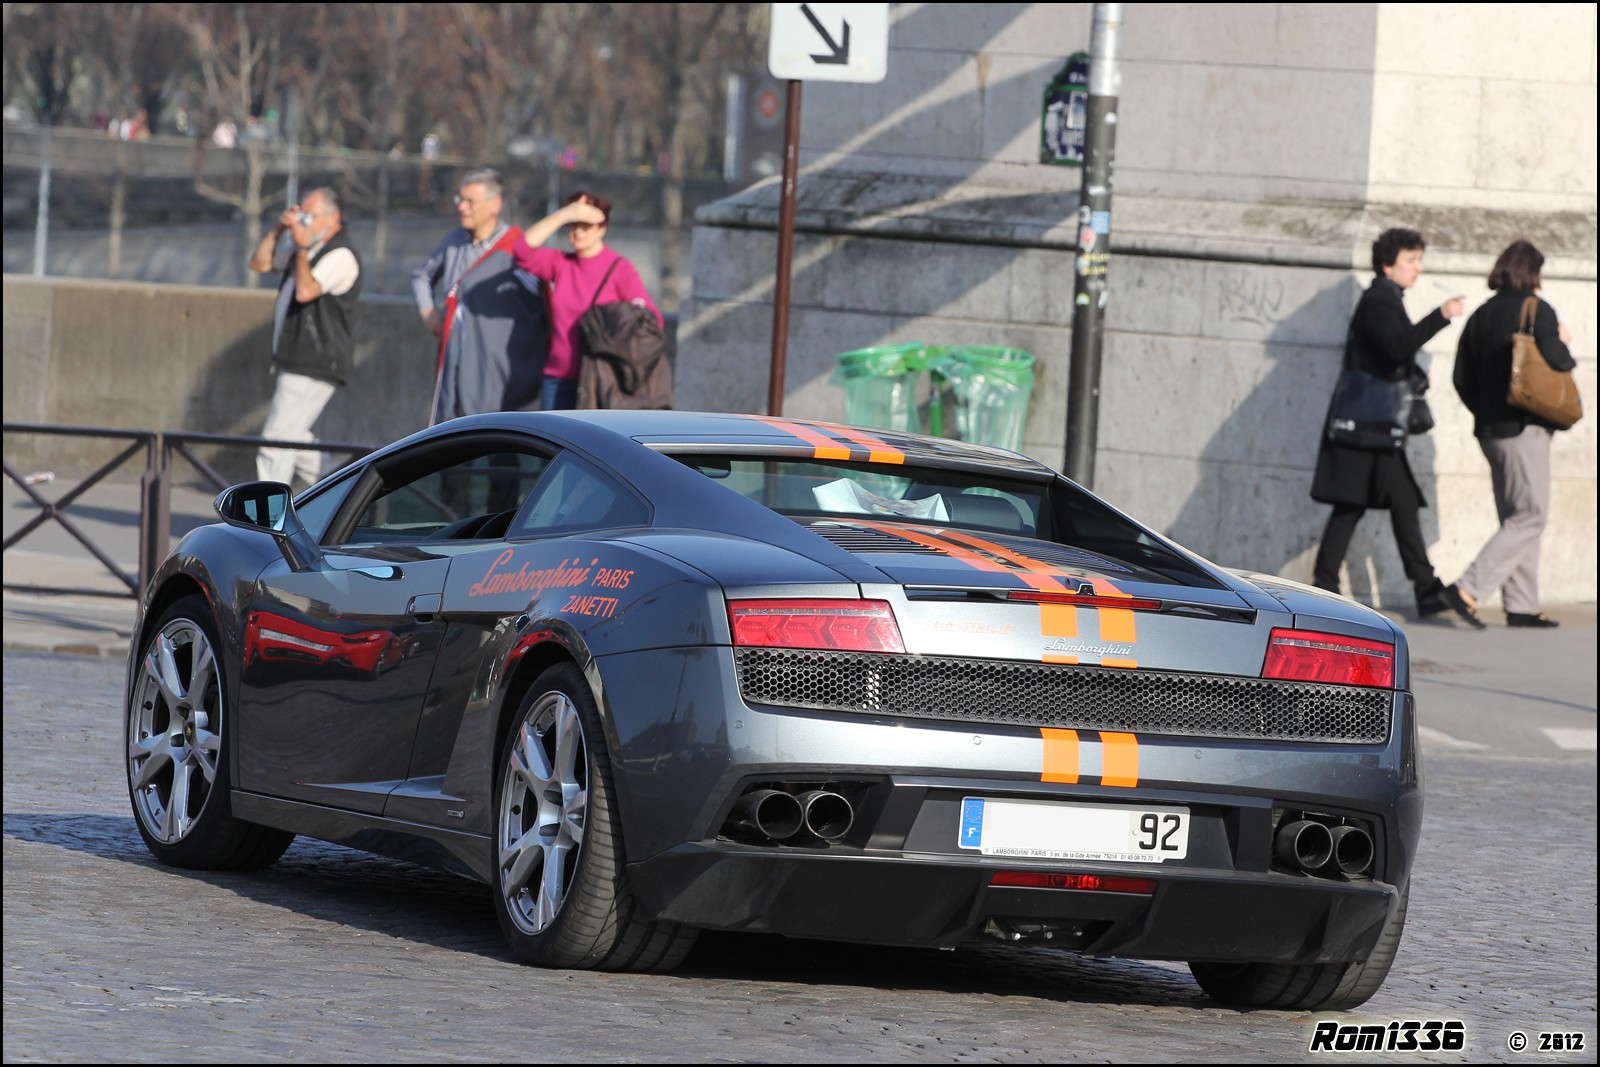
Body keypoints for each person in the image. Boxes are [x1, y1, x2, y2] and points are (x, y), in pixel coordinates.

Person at [1310, 228, 1468, 620]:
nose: (1418, 268)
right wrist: (1441, 317)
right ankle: (1326, 585)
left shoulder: (1386, 297)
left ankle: (1422, 586)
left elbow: (1389, 354)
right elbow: (1396, 346)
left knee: (1400, 502)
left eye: (1418, 259)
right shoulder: (1379, 299)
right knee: (1355, 506)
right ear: (1387, 264)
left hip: (1374, 429)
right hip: (1367, 426)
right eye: (1411, 260)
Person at [1445, 241, 1577, 629]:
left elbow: (1460, 377)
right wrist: (1565, 341)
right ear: (1532, 272)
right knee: (1531, 514)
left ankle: (1521, 604)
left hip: (1489, 430)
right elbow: (1559, 360)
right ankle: (1467, 588)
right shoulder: (1537, 310)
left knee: (1515, 515)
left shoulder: (1482, 314)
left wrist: (1484, 410)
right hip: (1524, 426)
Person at [412, 168, 548, 424]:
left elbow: (544, 303)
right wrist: (429, 313)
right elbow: (422, 276)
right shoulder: (454, 241)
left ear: (494, 204)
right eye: (459, 200)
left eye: (470, 201)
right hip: (454, 361)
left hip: (497, 370)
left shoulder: (514, 248)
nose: (462, 207)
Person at [247, 187, 362, 486]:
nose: (304, 222)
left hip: (315, 360)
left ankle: (268, 521)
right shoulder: (306, 249)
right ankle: (340, 486)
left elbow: (306, 290)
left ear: (332, 219)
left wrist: (299, 248)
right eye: (301, 214)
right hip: (297, 358)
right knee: (293, 436)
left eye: (309, 216)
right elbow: (259, 264)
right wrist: (278, 228)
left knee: (276, 441)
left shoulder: (341, 254)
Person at [512, 191, 661, 410]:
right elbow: (522, 250)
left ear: (602, 228)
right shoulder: (561, 263)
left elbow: (650, 321)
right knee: (551, 443)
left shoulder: (620, 269)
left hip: (601, 380)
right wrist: (565, 214)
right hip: (558, 379)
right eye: (573, 225)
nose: (578, 232)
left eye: (586, 226)